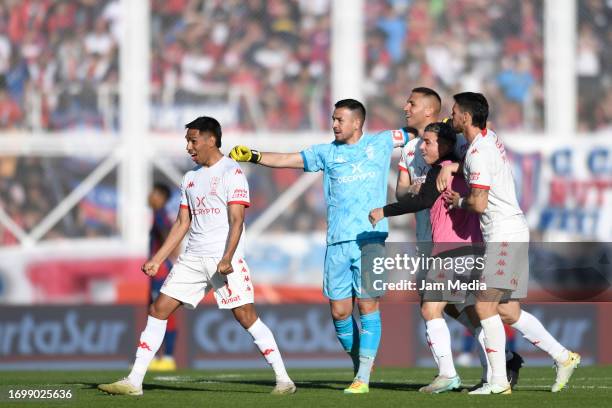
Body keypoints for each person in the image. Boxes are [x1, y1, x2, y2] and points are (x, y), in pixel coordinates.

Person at [98, 116, 295, 396]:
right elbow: (181, 223)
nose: (189, 147)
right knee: (158, 309)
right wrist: (158, 258)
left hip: (223, 260)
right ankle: (134, 381)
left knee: (246, 316)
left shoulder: (232, 171)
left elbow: (237, 220)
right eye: (187, 142)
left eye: (193, 140)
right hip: (192, 258)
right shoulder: (189, 179)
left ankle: (284, 379)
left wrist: (227, 257)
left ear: (211, 139)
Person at [230, 99, 412, 394]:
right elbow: (289, 159)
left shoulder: (381, 142)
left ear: (357, 122)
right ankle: (360, 364)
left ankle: (362, 377)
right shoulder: (326, 152)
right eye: (333, 119)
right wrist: (254, 155)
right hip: (337, 241)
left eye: (340, 119)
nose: (334, 124)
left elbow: (417, 132)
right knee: (340, 313)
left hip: (371, 238)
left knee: (368, 305)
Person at [442, 92, 580, 394]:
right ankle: (563, 356)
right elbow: (471, 156)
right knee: (507, 312)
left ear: (466, 117)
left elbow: (478, 203)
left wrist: (458, 200)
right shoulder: (486, 138)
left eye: (453, 113)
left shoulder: (478, 152)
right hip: (509, 231)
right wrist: (451, 166)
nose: (450, 117)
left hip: (503, 233)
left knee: (483, 304)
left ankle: (499, 381)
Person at [395, 88, 523, 391]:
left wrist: (450, 183)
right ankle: (502, 364)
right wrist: (420, 186)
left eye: (411, 103)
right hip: (438, 239)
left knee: (447, 307)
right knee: (468, 308)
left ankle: (463, 375)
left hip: (466, 240)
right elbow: (406, 192)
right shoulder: (420, 149)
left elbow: (474, 197)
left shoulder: (464, 147)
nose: (405, 107)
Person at [369, 121, 480, 393]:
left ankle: (449, 374)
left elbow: (422, 202)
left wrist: (384, 210)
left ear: (444, 144)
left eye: (428, 143)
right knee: (477, 313)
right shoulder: (465, 164)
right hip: (467, 248)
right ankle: (499, 370)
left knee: (431, 309)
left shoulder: (444, 167)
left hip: (451, 250)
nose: (422, 147)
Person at [146, 183, 178, 371]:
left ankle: (167, 357)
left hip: (160, 271)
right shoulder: (160, 215)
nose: (150, 196)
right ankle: (159, 357)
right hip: (160, 270)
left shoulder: (160, 215)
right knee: (155, 311)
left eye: (154, 193)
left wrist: (162, 258)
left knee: (161, 312)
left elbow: (167, 236)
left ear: (162, 197)